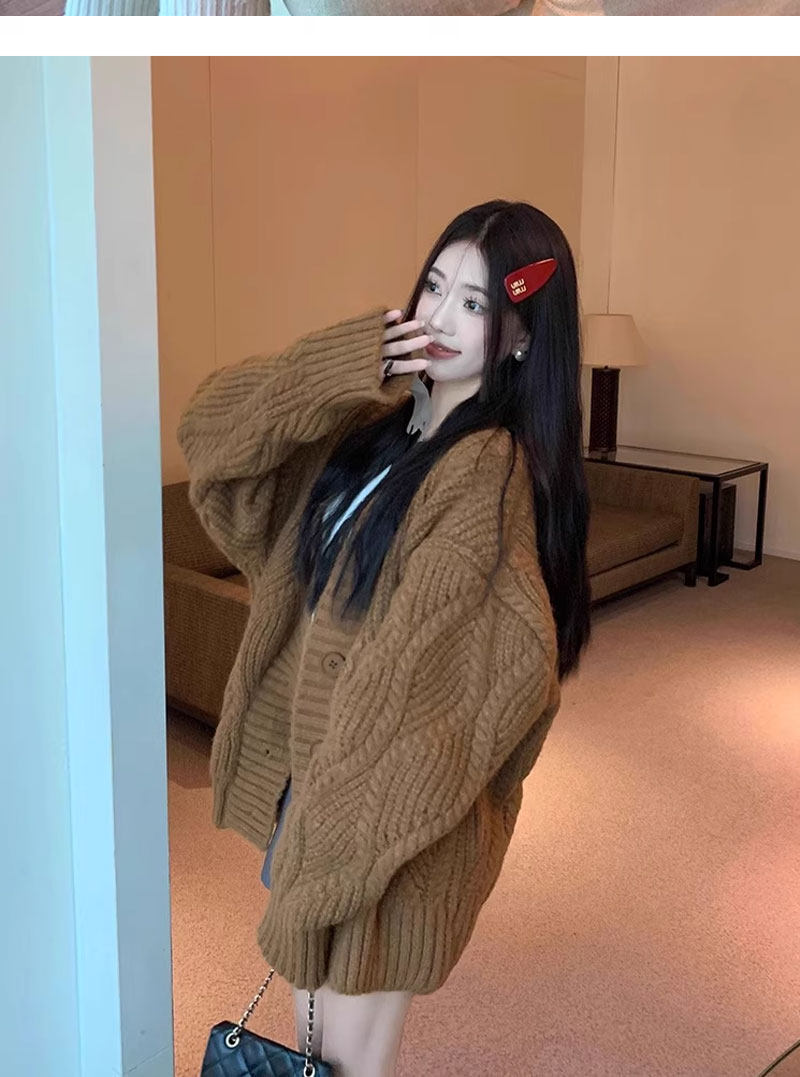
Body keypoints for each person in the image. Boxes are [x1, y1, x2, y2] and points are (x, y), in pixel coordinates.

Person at [177, 199, 593, 1076]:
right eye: (434, 286)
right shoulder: (375, 428)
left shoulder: (484, 475)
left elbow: (420, 708)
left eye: (475, 304)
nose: (439, 317)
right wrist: (339, 363)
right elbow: (208, 437)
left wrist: (322, 868)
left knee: (344, 1061)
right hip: (316, 801)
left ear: (522, 335)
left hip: (379, 829)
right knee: (313, 1051)